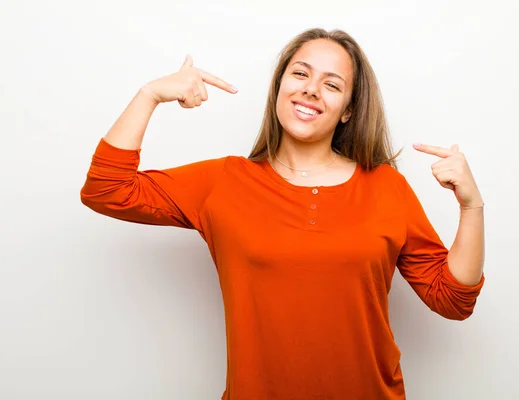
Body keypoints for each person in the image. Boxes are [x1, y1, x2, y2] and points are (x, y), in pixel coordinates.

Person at [80, 27, 485, 400]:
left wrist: (471, 206)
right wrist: (149, 94)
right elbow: (105, 190)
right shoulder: (225, 181)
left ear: (347, 110)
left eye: (332, 84)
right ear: (279, 88)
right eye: (300, 74)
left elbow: (452, 300)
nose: (311, 90)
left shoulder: (385, 187)